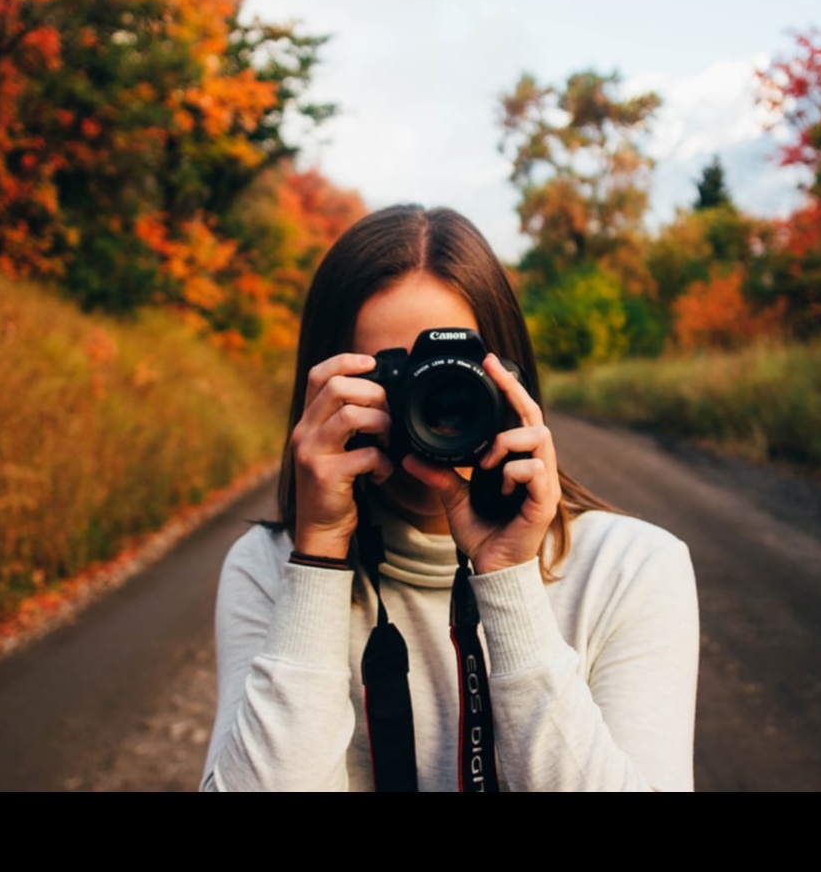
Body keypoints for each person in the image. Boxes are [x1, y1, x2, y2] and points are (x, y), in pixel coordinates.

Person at [200, 205, 699, 791]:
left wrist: (509, 578)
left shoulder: (632, 568)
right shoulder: (270, 566)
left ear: (512, 378)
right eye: (394, 377)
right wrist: (318, 555)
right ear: (325, 388)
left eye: (455, 377)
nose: (432, 406)